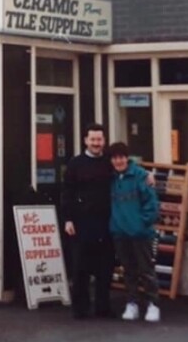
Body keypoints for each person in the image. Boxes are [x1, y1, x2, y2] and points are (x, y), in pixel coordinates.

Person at [62, 123, 116, 319]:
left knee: (105, 268)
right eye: (92, 139)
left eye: (99, 139)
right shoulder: (75, 163)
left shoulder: (110, 162)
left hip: (106, 223)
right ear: (85, 140)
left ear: (104, 141)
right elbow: (67, 192)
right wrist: (67, 219)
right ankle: (80, 309)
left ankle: (103, 308)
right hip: (81, 223)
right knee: (80, 268)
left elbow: (129, 168)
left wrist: (148, 176)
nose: (96, 143)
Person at [108, 142, 160, 322]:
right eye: (114, 158)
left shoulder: (140, 176)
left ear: (127, 158)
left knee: (146, 270)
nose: (118, 161)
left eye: (121, 157)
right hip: (120, 233)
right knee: (128, 271)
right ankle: (132, 303)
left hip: (141, 234)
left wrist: (142, 224)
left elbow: (152, 205)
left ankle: (153, 304)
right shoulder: (110, 178)